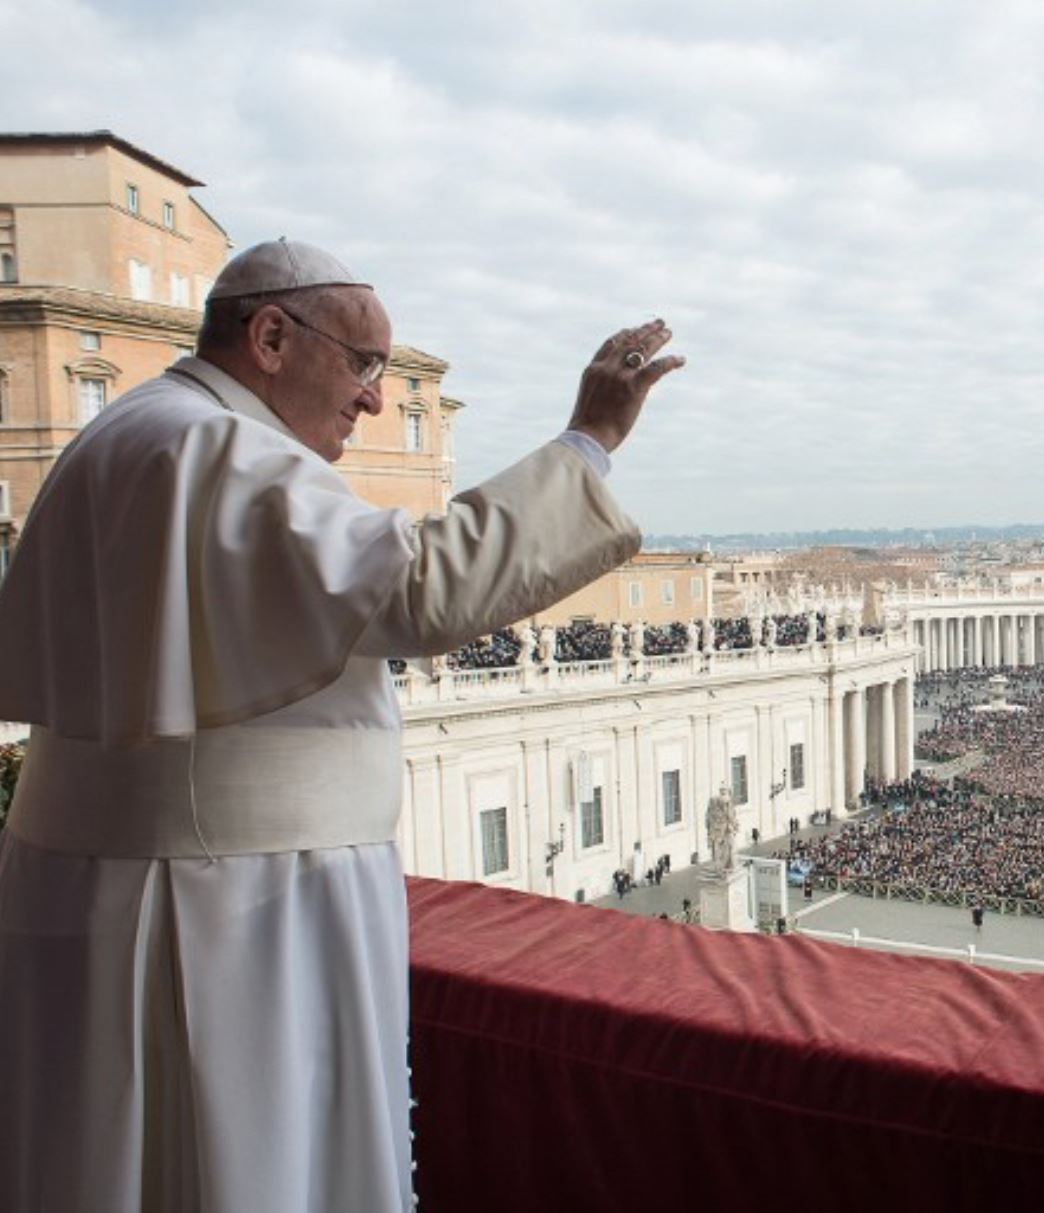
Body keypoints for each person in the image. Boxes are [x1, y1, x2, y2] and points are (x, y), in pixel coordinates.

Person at [0, 239, 682, 1212]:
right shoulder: (213, 444)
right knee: (253, 1164)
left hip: (131, 882)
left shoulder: (132, 433)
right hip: (231, 906)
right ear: (271, 336)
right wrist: (589, 442)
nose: (373, 399)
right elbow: (419, 586)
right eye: (364, 365)